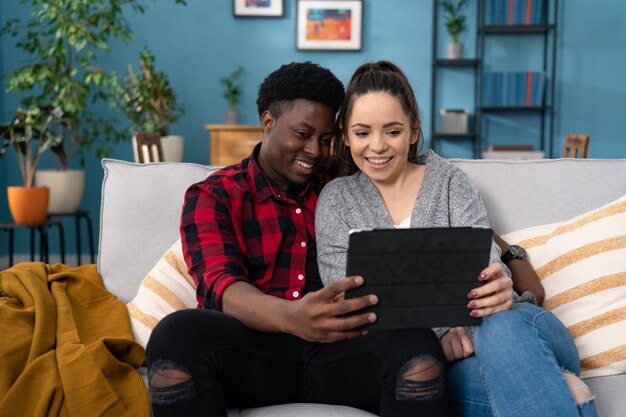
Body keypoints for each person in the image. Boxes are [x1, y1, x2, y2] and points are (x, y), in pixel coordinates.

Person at [145, 61, 449, 417]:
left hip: (343, 353)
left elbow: (426, 203)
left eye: (325, 140)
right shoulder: (215, 195)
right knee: (175, 336)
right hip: (250, 352)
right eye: (303, 135)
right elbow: (220, 285)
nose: (315, 152)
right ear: (268, 122)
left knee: (418, 345)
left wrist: (506, 251)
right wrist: (292, 316)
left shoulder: (344, 178)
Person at [315, 60, 598, 417]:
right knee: (462, 390)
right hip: (449, 362)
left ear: (414, 131)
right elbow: (350, 301)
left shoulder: (450, 182)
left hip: (518, 327)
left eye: (392, 131)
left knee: (501, 327)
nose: (377, 146)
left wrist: (486, 296)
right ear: (345, 136)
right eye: (362, 133)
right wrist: (435, 342)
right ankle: (568, 395)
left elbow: (488, 267)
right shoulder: (337, 200)